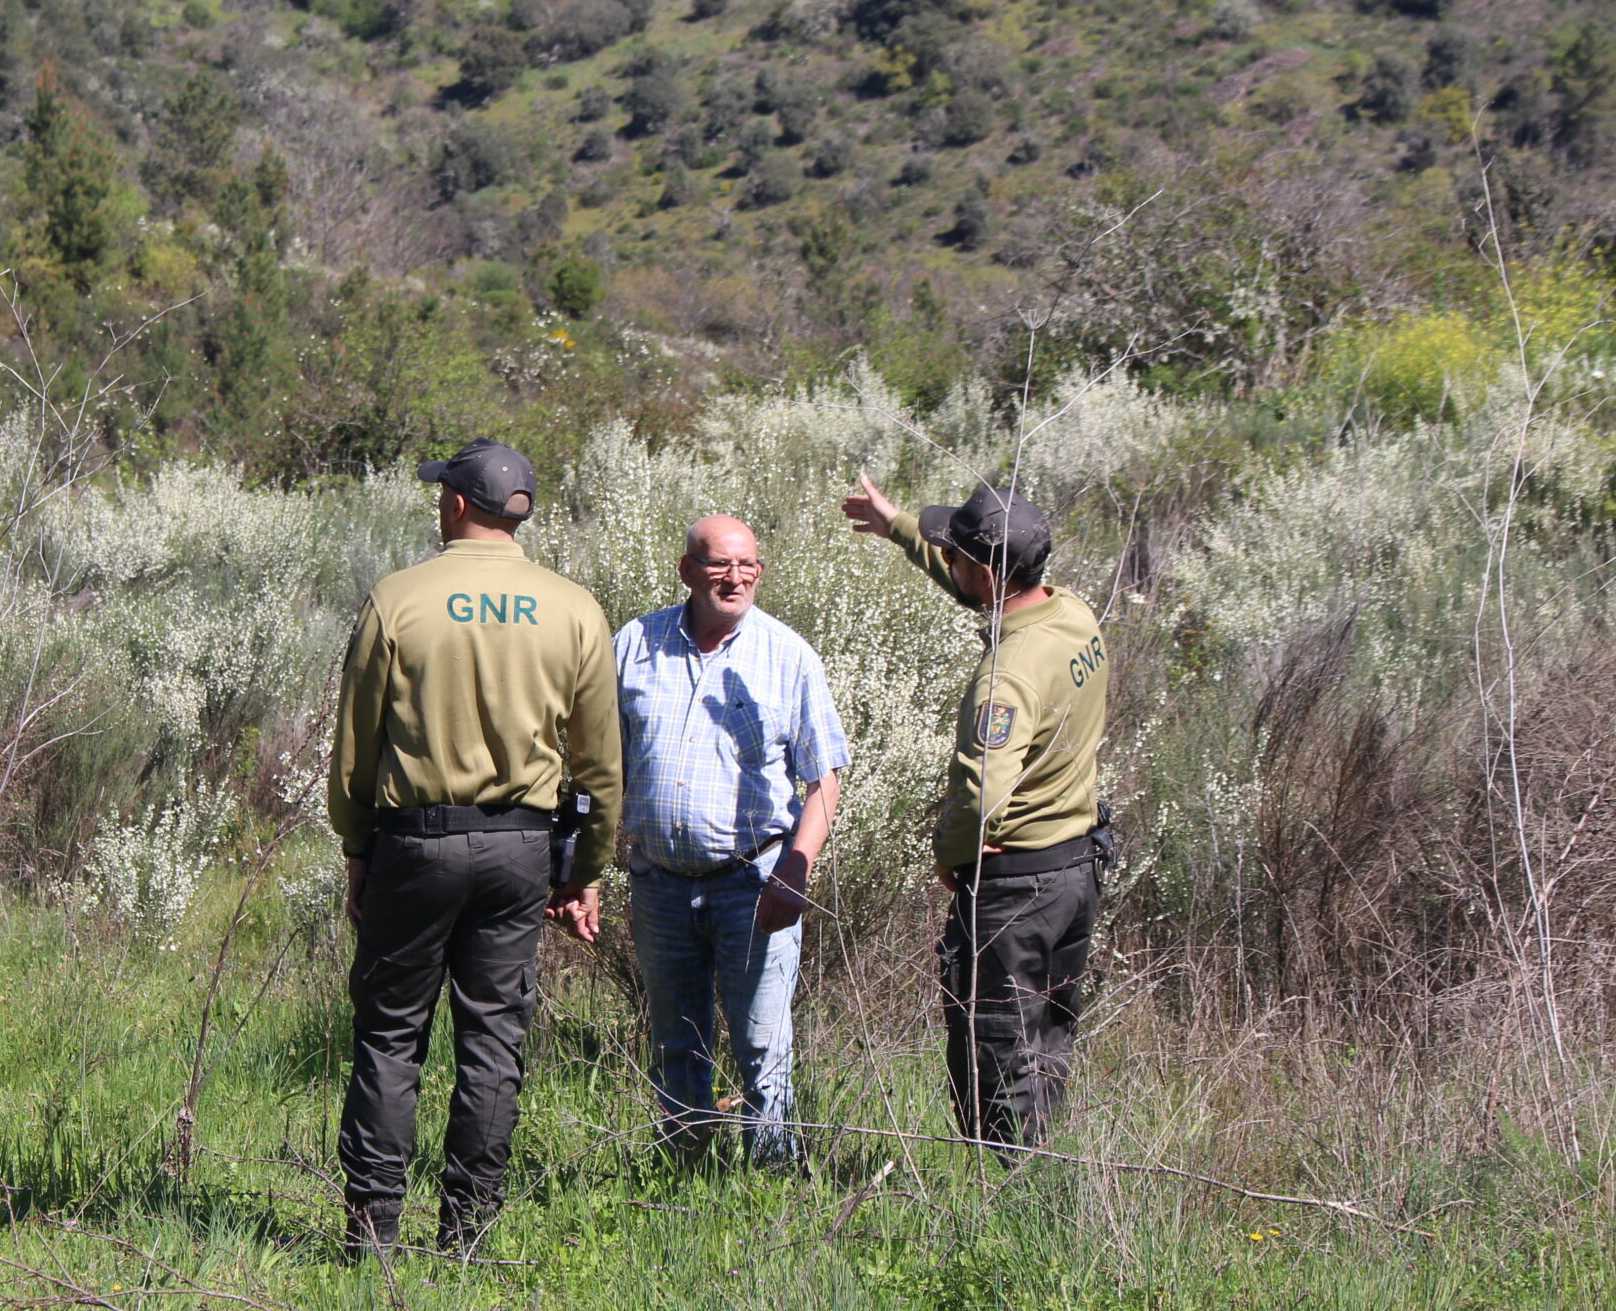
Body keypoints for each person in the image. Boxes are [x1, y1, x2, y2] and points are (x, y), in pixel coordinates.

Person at [328, 438, 624, 1259]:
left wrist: (357, 846)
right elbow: (600, 760)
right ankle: (467, 1234)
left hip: (414, 845)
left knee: (391, 1037)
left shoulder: (399, 599)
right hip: (520, 849)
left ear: (457, 504)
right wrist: (584, 869)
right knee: (493, 1041)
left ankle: (373, 1234)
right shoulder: (574, 609)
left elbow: (356, 743)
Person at [841, 476, 1109, 1151]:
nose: (950, 562)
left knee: (996, 1050)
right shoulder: (1071, 612)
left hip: (1015, 888)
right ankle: (1040, 1175)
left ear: (987, 572)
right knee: (1045, 1041)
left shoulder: (1008, 673)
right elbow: (977, 582)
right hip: (1075, 868)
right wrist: (897, 525)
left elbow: (981, 790)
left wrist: (950, 853)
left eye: (956, 553)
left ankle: (1009, 1208)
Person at [614, 516, 847, 1166]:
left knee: (762, 1045)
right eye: (720, 564)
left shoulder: (787, 655)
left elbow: (823, 778)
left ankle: (773, 1181)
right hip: (659, 882)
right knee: (675, 1038)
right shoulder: (635, 644)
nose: (735, 577)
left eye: (748, 566)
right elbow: (602, 761)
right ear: (688, 570)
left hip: (755, 884)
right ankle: (682, 1168)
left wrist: (795, 872)